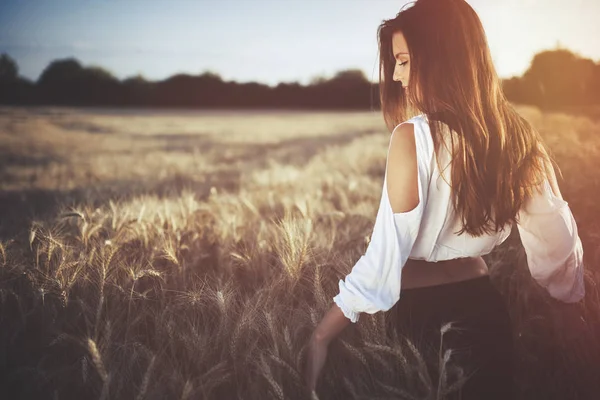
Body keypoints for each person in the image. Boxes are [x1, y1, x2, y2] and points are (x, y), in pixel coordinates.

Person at [303, 0, 586, 398]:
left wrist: (320, 336)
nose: (398, 75)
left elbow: (382, 261)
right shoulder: (518, 137)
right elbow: (556, 240)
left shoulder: (412, 139)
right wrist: (570, 311)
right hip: (487, 313)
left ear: (439, 59)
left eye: (403, 60)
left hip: (421, 320)